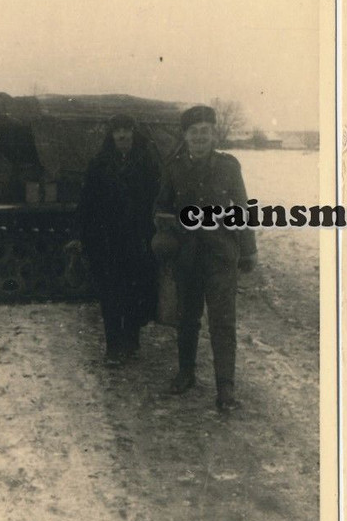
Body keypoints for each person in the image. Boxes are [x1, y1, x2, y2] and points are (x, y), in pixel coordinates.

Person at [156, 104, 257, 411]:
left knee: (223, 322)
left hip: (221, 256)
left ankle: (225, 389)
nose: (199, 137)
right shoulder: (172, 169)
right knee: (187, 319)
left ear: (214, 135)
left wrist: (248, 250)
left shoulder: (229, 166)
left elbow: (242, 208)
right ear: (184, 136)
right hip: (187, 257)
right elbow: (160, 209)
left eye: (205, 132)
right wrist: (174, 227)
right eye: (193, 132)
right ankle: (186, 373)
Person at [79, 114, 162, 367]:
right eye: (117, 132)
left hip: (138, 238)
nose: (122, 136)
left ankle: (132, 342)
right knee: (110, 294)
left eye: (126, 130)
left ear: (134, 133)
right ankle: (113, 347)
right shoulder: (99, 164)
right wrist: (84, 236)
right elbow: (86, 204)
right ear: (111, 135)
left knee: (136, 291)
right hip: (107, 240)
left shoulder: (148, 162)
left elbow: (158, 199)